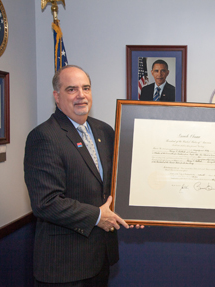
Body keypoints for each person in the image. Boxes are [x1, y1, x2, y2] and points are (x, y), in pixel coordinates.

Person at [24, 65, 140, 286]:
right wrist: (98, 216)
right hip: (65, 266)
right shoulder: (44, 137)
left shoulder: (104, 131)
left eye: (85, 88)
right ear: (56, 96)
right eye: (71, 89)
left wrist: (132, 211)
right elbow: (45, 202)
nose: (81, 95)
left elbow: (112, 186)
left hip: (100, 258)